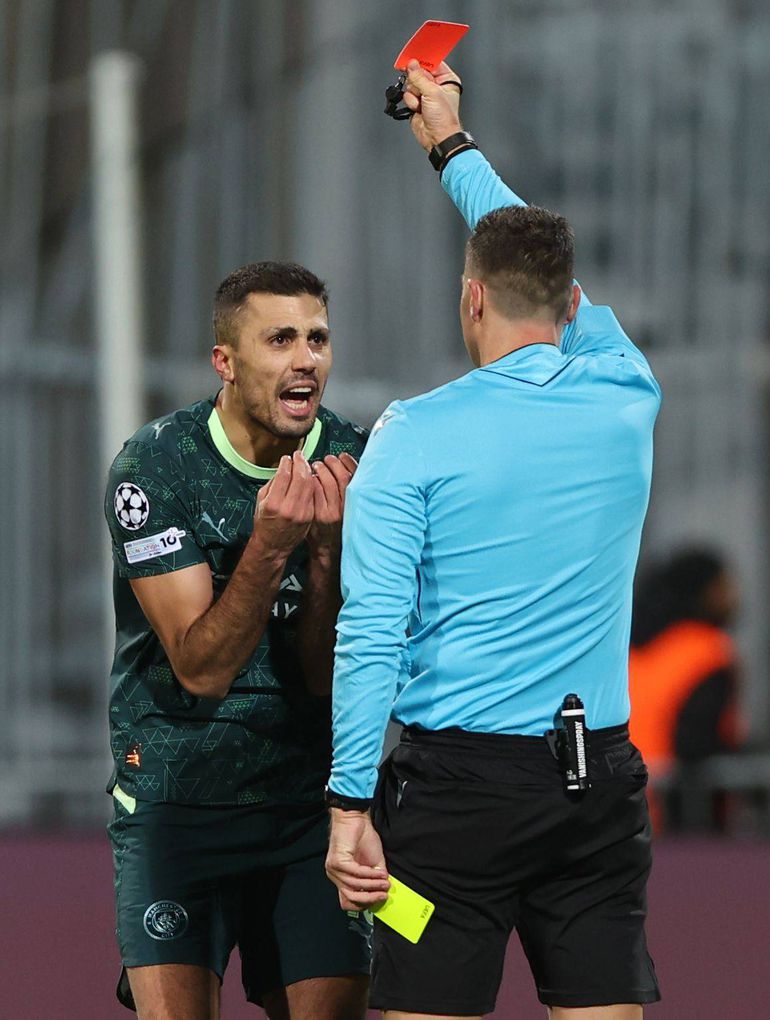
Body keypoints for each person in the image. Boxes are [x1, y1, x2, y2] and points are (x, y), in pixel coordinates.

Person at [325, 61, 662, 1020]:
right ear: (571, 311)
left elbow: (373, 628)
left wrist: (350, 804)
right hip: (597, 790)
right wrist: (451, 145)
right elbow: (538, 260)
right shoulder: (626, 389)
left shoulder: (412, 434)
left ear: (471, 301)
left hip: (455, 803)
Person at [105, 261, 371, 1020]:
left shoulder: (357, 462)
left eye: (317, 338)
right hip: (176, 801)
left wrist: (325, 559)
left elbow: (326, 676)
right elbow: (200, 666)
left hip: (308, 812)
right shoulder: (155, 467)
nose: (305, 359)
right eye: (280, 339)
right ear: (225, 361)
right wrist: (271, 544)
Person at [629, 547, 743, 830]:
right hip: (674, 815)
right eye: (723, 586)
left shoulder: (631, 646)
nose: (732, 596)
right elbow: (699, 744)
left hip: (622, 808)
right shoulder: (707, 649)